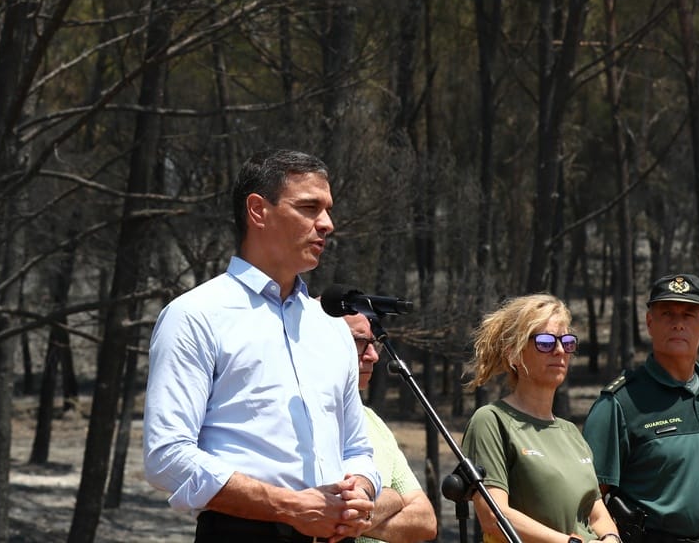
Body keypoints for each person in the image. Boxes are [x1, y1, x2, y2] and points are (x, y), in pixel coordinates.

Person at [143, 149, 380, 543]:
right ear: (257, 211)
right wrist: (288, 506)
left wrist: (362, 490)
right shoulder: (196, 315)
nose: (327, 224)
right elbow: (166, 457)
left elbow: (356, 448)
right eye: (309, 207)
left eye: (327, 210)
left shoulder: (331, 326)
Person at [582, 274, 699, 543]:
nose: (678, 324)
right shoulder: (620, 403)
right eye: (667, 314)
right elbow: (590, 500)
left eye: (688, 315)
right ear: (650, 323)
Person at [460, 294, 620, 543]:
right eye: (545, 342)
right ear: (513, 354)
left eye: (567, 342)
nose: (560, 351)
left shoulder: (570, 432)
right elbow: (493, 515)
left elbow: (597, 514)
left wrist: (611, 538)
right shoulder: (491, 421)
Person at [343, 313, 438, 543]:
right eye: (358, 342)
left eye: (374, 344)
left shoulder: (373, 421)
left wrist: (361, 516)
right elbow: (327, 512)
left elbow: (426, 521)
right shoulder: (298, 419)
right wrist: (392, 498)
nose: (373, 356)